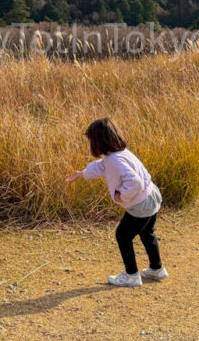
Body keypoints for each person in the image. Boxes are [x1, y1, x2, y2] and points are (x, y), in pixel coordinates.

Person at [66, 117, 168, 287]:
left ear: (99, 141)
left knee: (123, 235)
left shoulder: (114, 160)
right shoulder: (119, 154)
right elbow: (102, 166)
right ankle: (157, 269)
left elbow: (134, 182)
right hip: (152, 196)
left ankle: (132, 275)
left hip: (141, 203)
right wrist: (82, 174)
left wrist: (122, 196)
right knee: (147, 233)